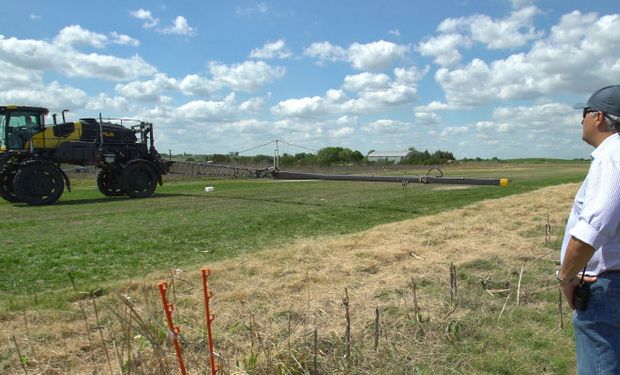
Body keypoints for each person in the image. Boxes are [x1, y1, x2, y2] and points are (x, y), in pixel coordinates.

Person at [559, 85, 620, 374]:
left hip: (607, 289)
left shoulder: (611, 157)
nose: (580, 121)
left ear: (598, 118)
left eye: (583, 114)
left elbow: (593, 228)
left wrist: (566, 277)